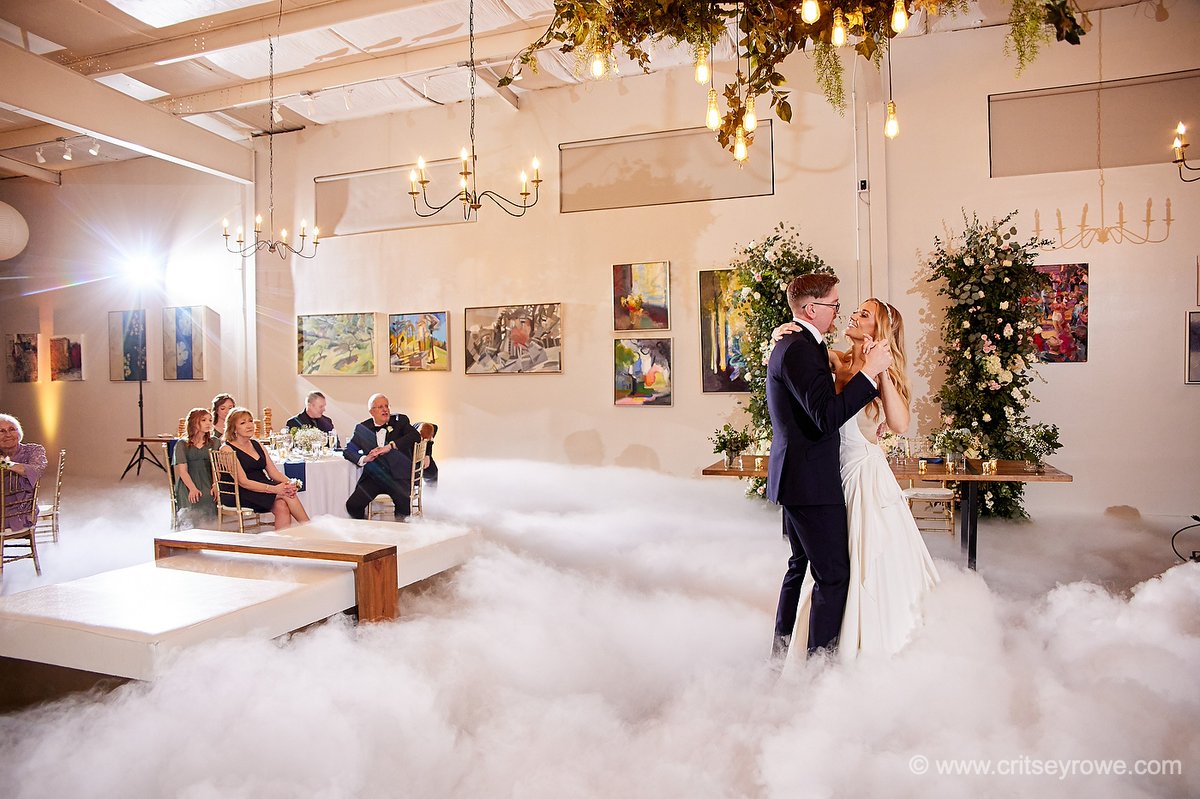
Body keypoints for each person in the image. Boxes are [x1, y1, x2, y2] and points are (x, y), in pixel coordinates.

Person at [776, 298, 940, 666]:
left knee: (863, 563)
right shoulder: (834, 360)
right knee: (825, 566)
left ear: (878, 330)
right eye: (856, 310)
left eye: (864, 314)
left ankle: (864, 646)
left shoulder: (882, 373)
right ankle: (814, 649)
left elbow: (899, 424)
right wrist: (780, 332)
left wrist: (880, 370)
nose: (853, 315)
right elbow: (801, 360)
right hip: (827, 478)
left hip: (864, 479)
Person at [765, 274, 890, 660]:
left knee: (800, 566)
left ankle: (783, 656)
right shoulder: (799, 349)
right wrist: (869, 374)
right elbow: (825, 417)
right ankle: (818, 670)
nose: (839, 311)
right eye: (834, 305)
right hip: (811, 482)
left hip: (802, 477)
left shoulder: (804, 345)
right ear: (810, 309)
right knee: (833, 577)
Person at [219, 407, 309, 530]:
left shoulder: (257, 444)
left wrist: (290, 483)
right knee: (287, 494)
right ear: (233, 428)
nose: (249, 425)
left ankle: (283, 541)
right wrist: (274, 489)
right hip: (239, 491)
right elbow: (243, 482)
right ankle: (309, 528)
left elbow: (273, 473)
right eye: (243, 423)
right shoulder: (226, 449)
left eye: (250, 421)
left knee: (282, 504)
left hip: (262, 486)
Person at [344, 394, 421, 520]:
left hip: (398, 477)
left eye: (386, 406)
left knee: (403, 510)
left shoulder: (400, 421)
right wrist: (364, 459)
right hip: (374, 478)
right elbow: (348, 450)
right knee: (352, 505)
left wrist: (391, 446)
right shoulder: (363, 428)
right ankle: (364, 528)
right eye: (380, 407)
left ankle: (400, 531)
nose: (385, 409)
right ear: (371, 412)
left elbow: (415, 436)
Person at [172, 407, 218, 527]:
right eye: (203, 420)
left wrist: (215, 484)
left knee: (209, 495)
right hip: (189, 480)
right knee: (194, 497)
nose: (208, 423)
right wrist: (192, 488)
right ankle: (190, 528)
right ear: (194, 422)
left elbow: (215, 467)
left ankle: (211, 528)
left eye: (210, 420)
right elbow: (183, 471)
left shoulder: (214, 442)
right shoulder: (182, 444)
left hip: (208, 478)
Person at [0, 413, 46, 531]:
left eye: (12, 429)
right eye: (2, 431)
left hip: (22, 510)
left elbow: (36, 470)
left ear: (19, 432)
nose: (8, 435)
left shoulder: (34, 450)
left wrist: (6, 464)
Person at [413, 421, 438, 486]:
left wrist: (427, 455)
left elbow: (429, 441)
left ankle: (431, 489)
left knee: (432, 472)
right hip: (411, 459)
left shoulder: (433, 428)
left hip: (423, 455)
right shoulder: (410, 432)